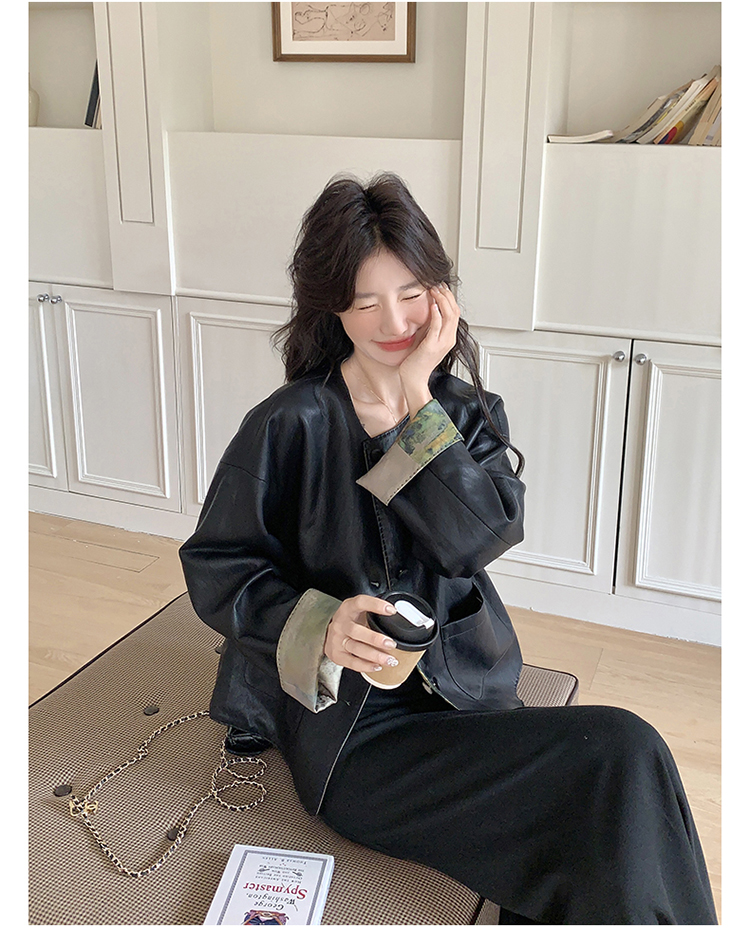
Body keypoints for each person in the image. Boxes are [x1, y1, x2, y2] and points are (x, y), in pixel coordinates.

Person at [178, 173, 717, 925]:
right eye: (365, 301)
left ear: (441, 295)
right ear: (332, 306)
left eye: (411, 293)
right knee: (600, 808)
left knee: (626, 754)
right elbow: (218, 564)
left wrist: (416, 401)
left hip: (470, 696)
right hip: (354, 733)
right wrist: (322, 624)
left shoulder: (462, 412)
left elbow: (478, 541)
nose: (394, 319)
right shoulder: (290, 421)